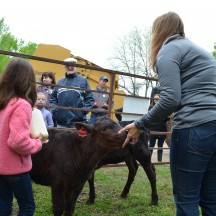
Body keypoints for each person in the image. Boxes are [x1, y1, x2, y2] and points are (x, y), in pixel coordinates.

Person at [118, 12, 216, 216]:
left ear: (158, 31)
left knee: (186, 199)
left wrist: (140, 124)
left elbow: (171, 98)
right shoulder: (200, 52)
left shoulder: (169, 50)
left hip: (193, 128)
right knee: (211, 198)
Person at [0, 58, 45, 216]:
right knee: (27, 207)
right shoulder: (21, 105)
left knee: (3, 206)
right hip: (16, 170)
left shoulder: (3, 103)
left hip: (0, 167)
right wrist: (37, 143)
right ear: (28, 80)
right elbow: (17, 141)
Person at [50, 57, 95, 128]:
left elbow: (90, 99)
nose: (70, 67)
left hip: (78, 123)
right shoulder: (60, 82)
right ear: (65, 67)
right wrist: (55, 111)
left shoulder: (83, 81)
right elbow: (53, 98)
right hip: (61, 122)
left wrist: (82, 112)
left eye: (72, 65)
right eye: (67, 66)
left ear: (76, 66)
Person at [148, 94, 168, 162]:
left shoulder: (164, 108)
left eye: (157, 99)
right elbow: (150, 118)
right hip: (153, 130)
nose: (156, 100)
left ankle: (159, 161)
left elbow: (167, 118)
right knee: (151, 146)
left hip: (162, 130)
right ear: (153, 100)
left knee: (160, 147)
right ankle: (147, 161)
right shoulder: (150, 108)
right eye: (155, 99)